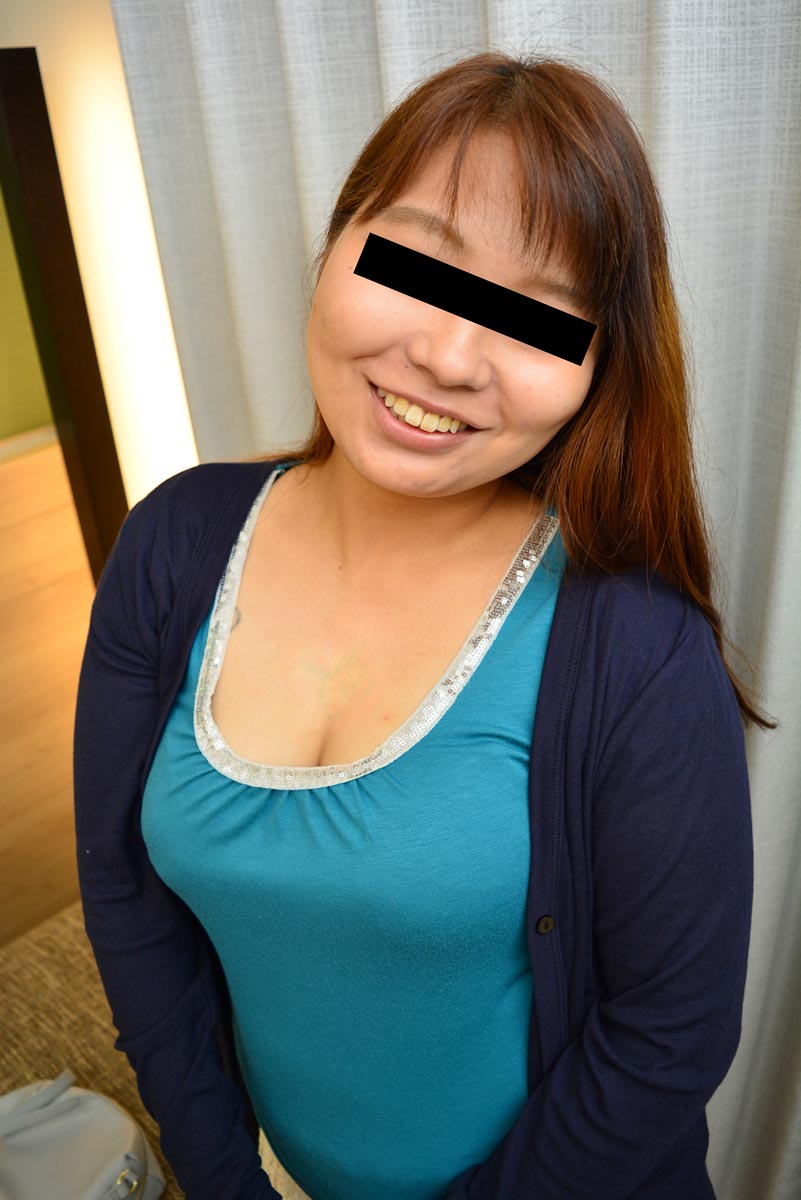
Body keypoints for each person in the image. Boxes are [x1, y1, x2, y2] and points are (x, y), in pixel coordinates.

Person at [73, 51, 774, 1200]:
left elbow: (666, 1037)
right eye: (413, 265)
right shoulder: (172, 542)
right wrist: (222, 1173)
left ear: (599, 369)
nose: (449, 355)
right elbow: (123, 893)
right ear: (336, 246)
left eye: (536, 319)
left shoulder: (634, 645)